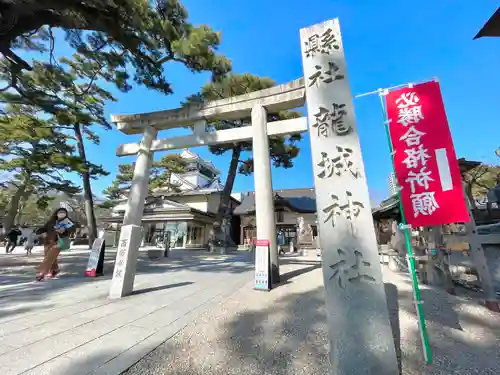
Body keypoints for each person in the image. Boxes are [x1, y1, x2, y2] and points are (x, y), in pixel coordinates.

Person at [35, 208, 75, 281]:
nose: (62, 213)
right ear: (56, 213)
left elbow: (73, 228)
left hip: (59, 241)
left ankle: (42, 272)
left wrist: (65, 230)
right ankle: (54, 270)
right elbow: (43, 228)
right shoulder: (51, 222)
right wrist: (41, 232)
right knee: (49, 256)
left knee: (50, 256)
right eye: (60, 212)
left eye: (64, 212)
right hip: (48, 241)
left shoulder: (67, 221)